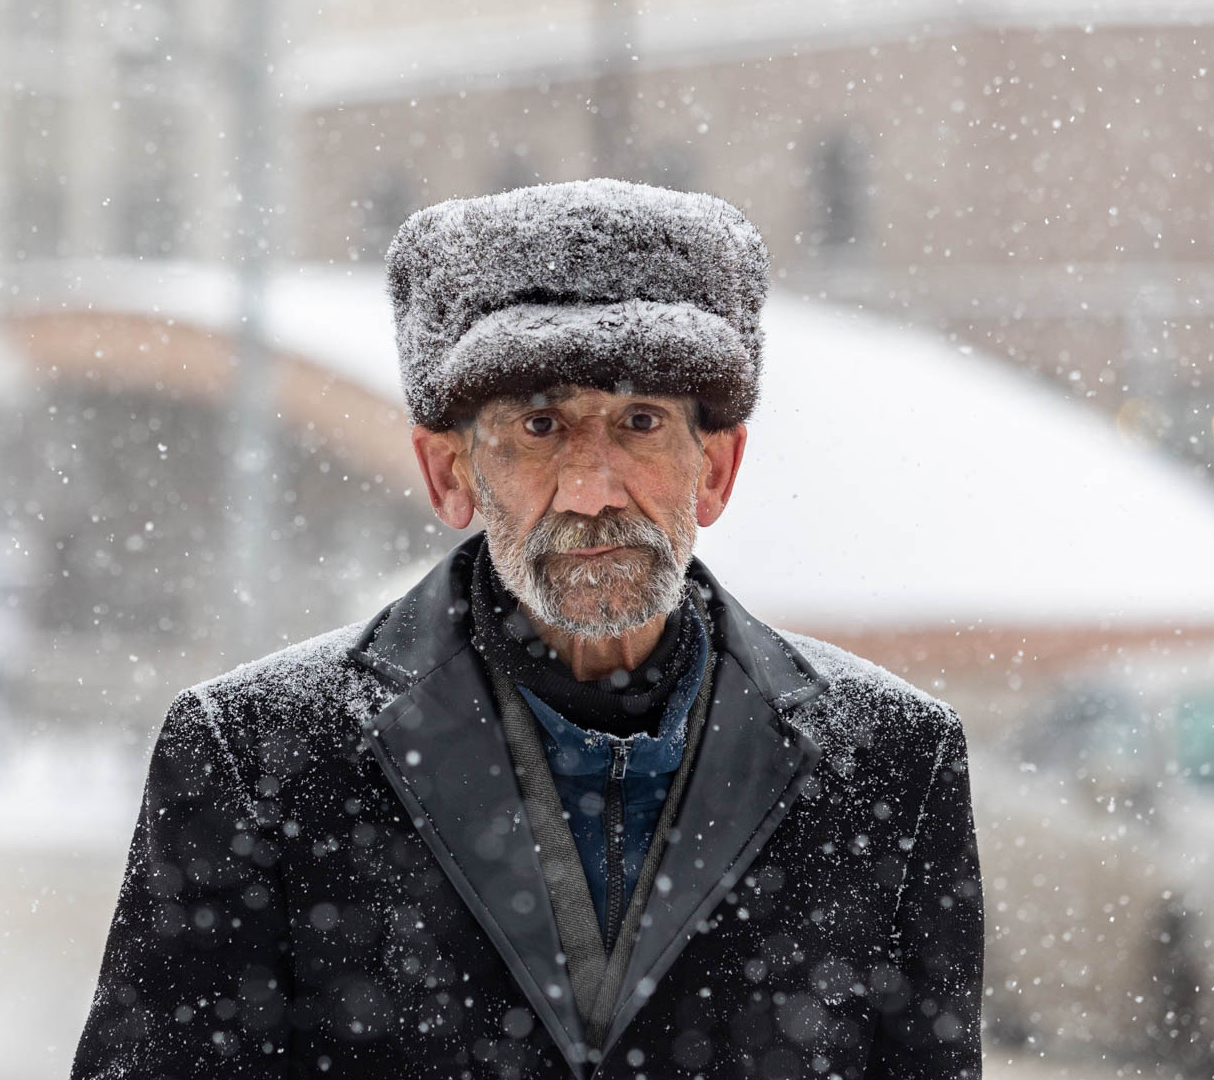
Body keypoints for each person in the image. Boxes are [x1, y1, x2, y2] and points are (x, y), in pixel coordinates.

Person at [70, 178, 983, 1080]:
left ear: (715, 468)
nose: (591, 488)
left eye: (639, 422)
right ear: (449, 472)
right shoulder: (256, 757)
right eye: (540, 426)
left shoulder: (892, 765)